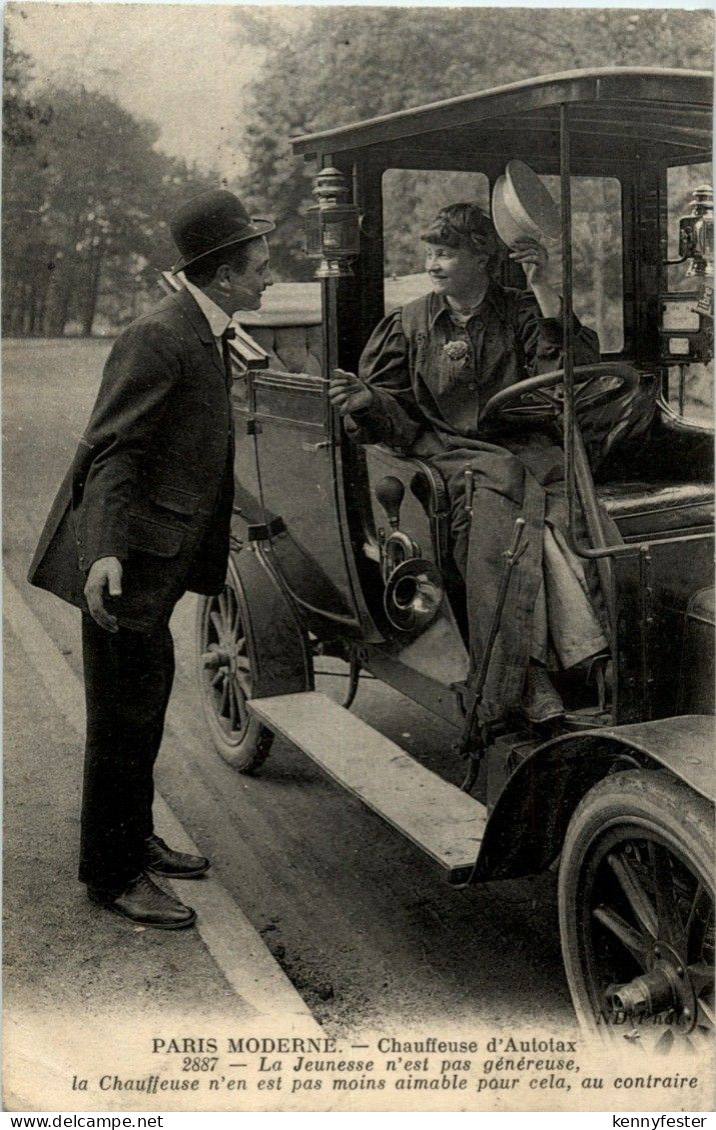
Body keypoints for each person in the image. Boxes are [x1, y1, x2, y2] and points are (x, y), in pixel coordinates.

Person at [28, 189, 274, 929]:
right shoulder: (160, 336)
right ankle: (113, 875)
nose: (269, 276)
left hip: (150, 562)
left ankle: (132, 839)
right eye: (259, 265)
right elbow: (112, 453)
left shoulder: (203, 329)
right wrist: (103, 554)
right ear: (224, 274)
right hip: (124, 565)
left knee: (142, 708)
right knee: (122, 720)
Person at [329, 202, 608, 729]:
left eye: (446, 253)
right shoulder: (410, 324)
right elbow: (397, 413)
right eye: (430, 254)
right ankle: (528, 676)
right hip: (450, 452)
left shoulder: (522, 311)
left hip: (526, 447)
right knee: (503, 510)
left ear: (482, 257)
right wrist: (368, 401)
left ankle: (581, 660)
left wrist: (543, 286)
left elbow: (572, 370)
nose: (432, 265)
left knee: (564, 516)